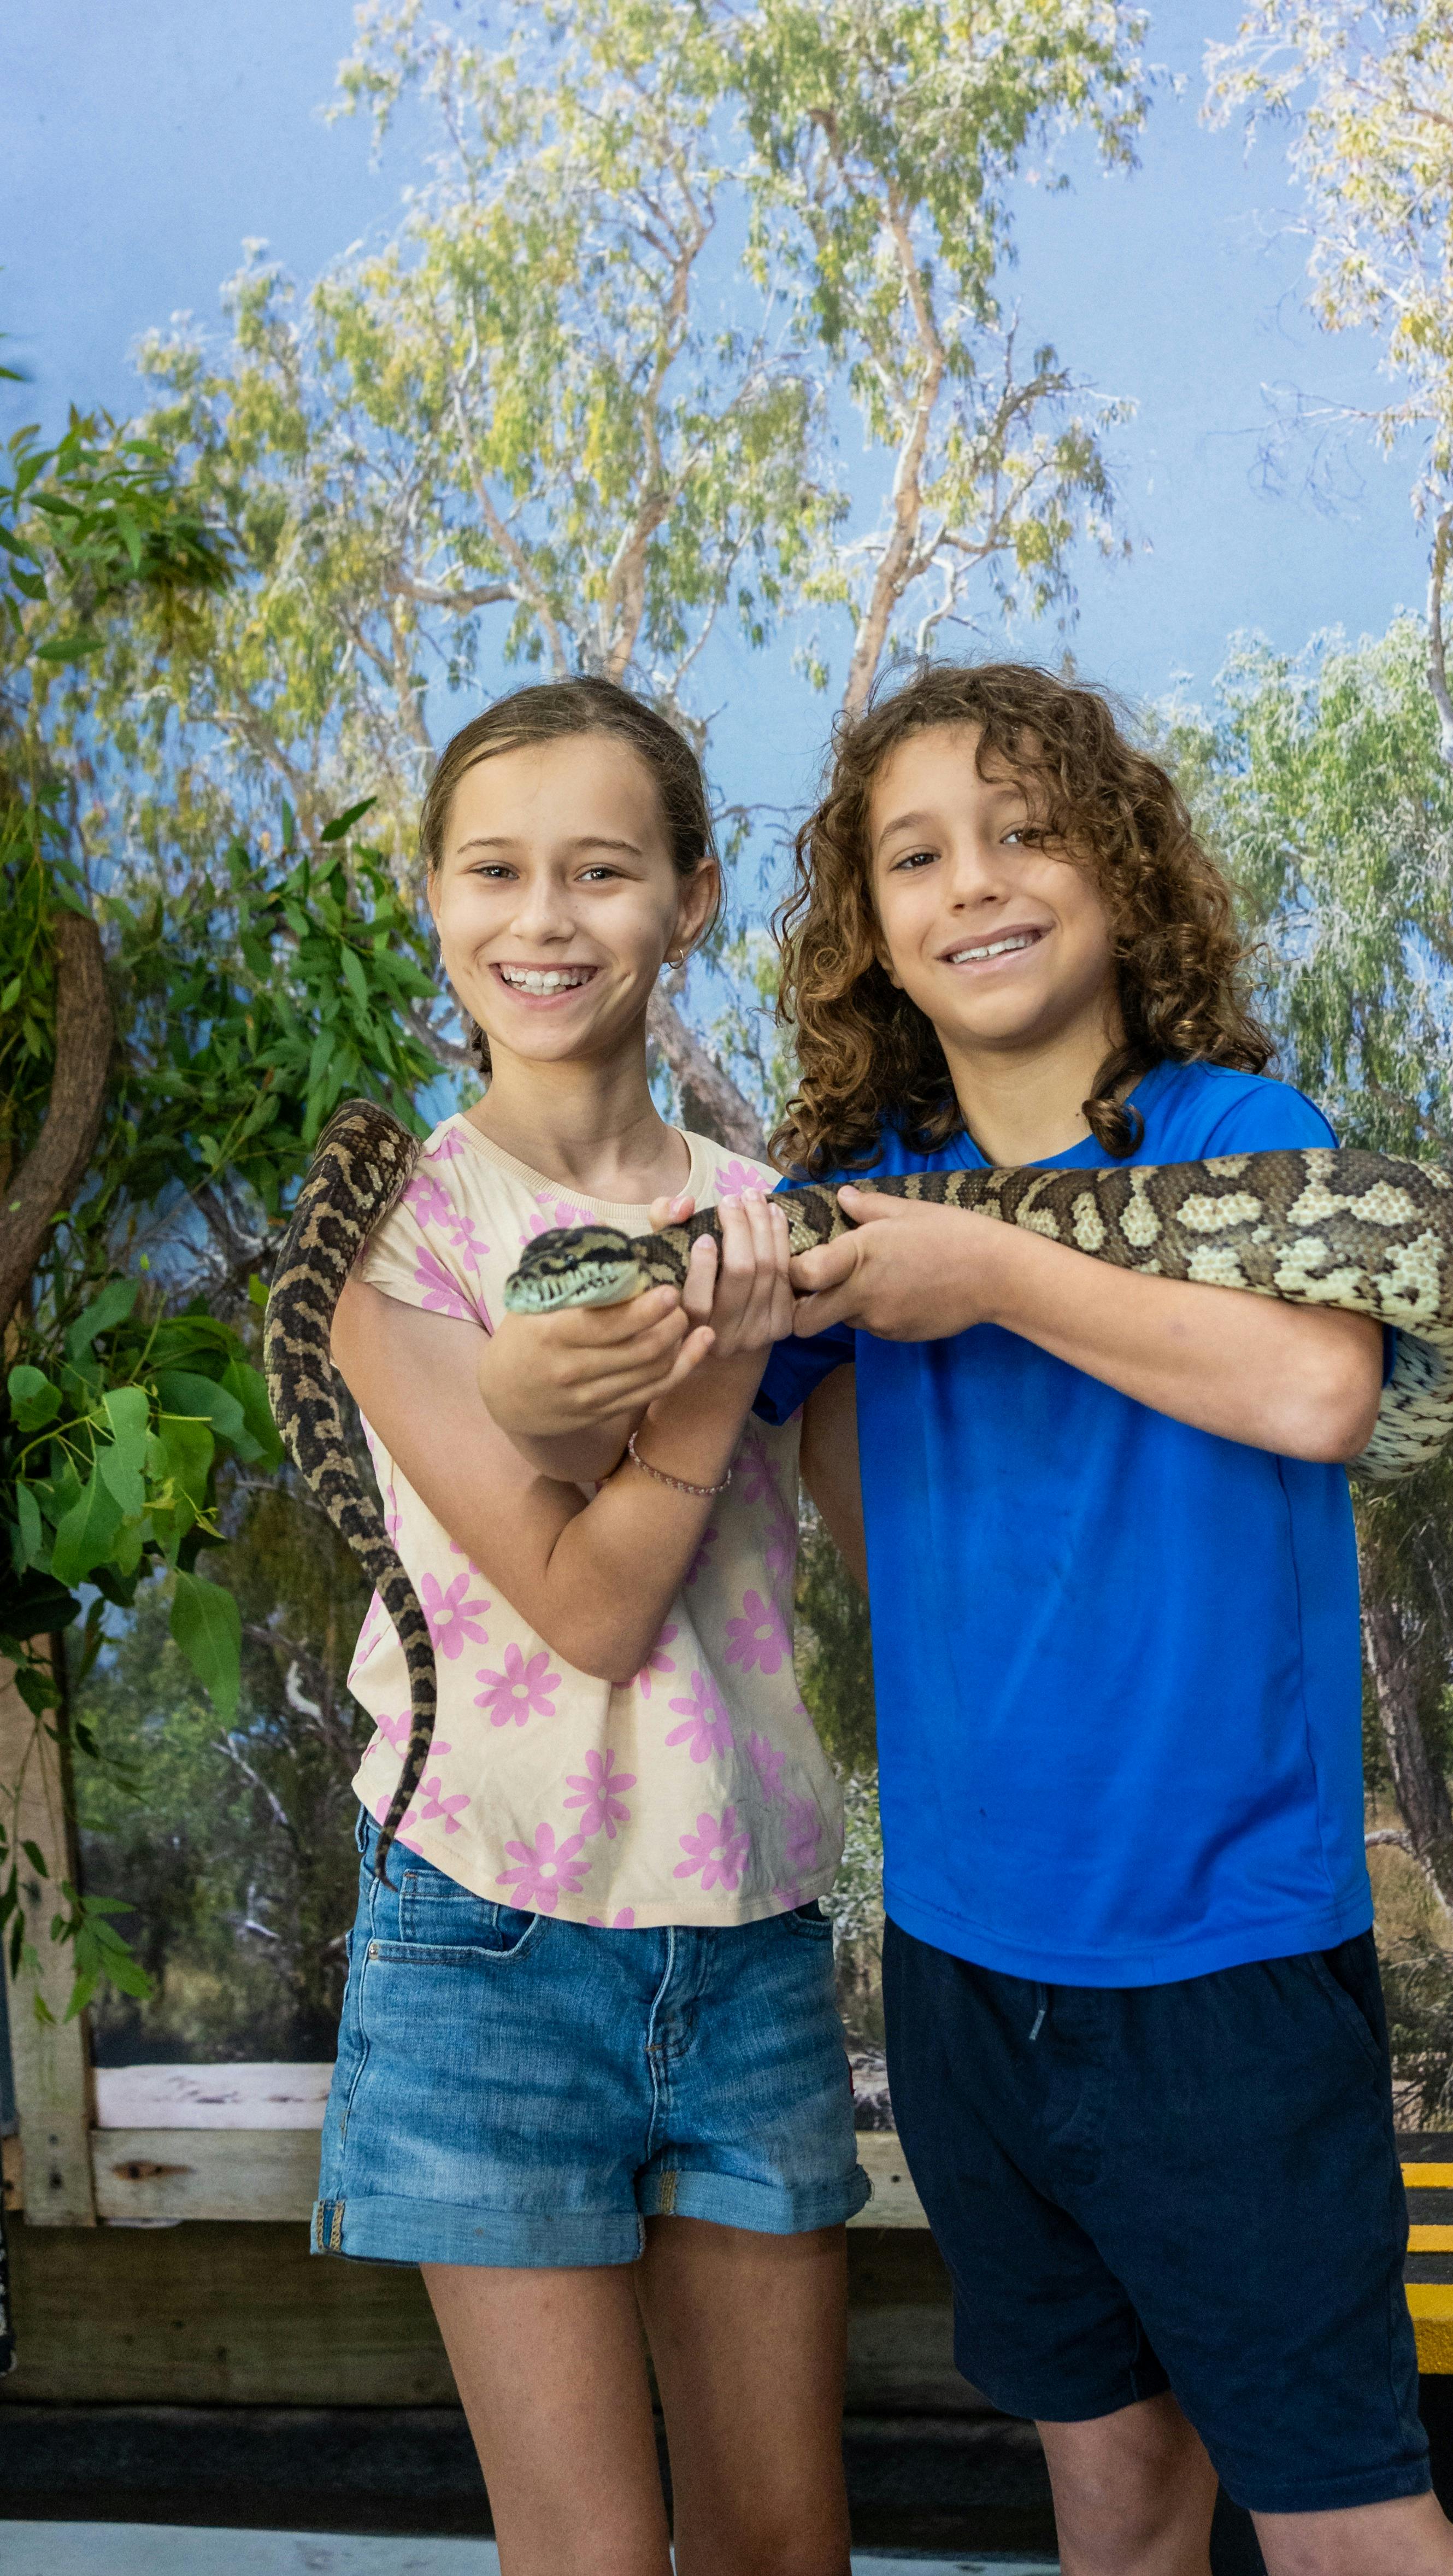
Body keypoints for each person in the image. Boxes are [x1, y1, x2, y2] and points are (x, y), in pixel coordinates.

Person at [481, 661, 1453, 2576]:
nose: (977, 880)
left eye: (1029, 831)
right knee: (1114, 2500)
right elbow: (689, 1462)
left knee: (1354, 2539)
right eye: (918, 852)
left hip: (1220, 1954)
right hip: (969, 1968)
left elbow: (1320, 1396)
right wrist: (580, 1363)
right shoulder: (852, 1209)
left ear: (1123, 877)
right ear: (869, 924)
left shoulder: (1232, 1130)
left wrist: (992, 1265)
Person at [316, 677, 863, 2576]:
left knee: (783, 2547)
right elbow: (589, 1607)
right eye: (496, 870)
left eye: (602, 870)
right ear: (438, 901)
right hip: (486, 1933)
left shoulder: (788, 1223)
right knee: (590, 2563)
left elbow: (878, 1527)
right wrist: (711, 1379)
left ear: (692, 896)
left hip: (748, 1927)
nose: (543, 919)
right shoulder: (385, 1243)